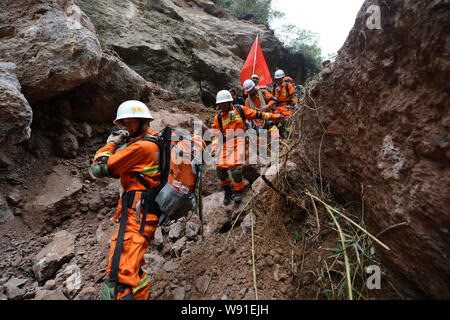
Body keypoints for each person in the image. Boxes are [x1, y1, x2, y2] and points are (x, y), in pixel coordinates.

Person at [91, 100, 161, 300]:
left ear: (142, 121)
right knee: (133, 269)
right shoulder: (153, 139)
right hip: (143, 211)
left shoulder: (140, 147)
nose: (126, 128)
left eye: (129, 123)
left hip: (136, 214)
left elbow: (98, 168)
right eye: (124, 124)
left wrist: (111, 143)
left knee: (119, 280)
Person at [210, 90, 284, 205]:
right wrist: (214, 147)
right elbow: (215, 134)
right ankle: (227, 190)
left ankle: (238, 190)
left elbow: (258, 114)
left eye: (226, 103)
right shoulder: (218, 117)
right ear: (218, 105)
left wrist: (274, 117)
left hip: (241, 140)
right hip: (227, 143)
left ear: (230, 101)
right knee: (220, 168)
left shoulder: (240, 109)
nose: (223, 105)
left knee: (234, 167)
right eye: (221, 104)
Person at [271, 69, 298, 138]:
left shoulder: (288, 86)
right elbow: (271, 100)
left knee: (288, 121)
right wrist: (269, 107)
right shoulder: (274, 88)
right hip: (277, 108)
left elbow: (293, 96)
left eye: (280, 78)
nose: (278, 80)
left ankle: (289, 137)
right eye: (277, 79)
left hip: (286, 107)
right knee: (274, 121)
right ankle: (277, 137)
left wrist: (296, 104)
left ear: (283, 78)